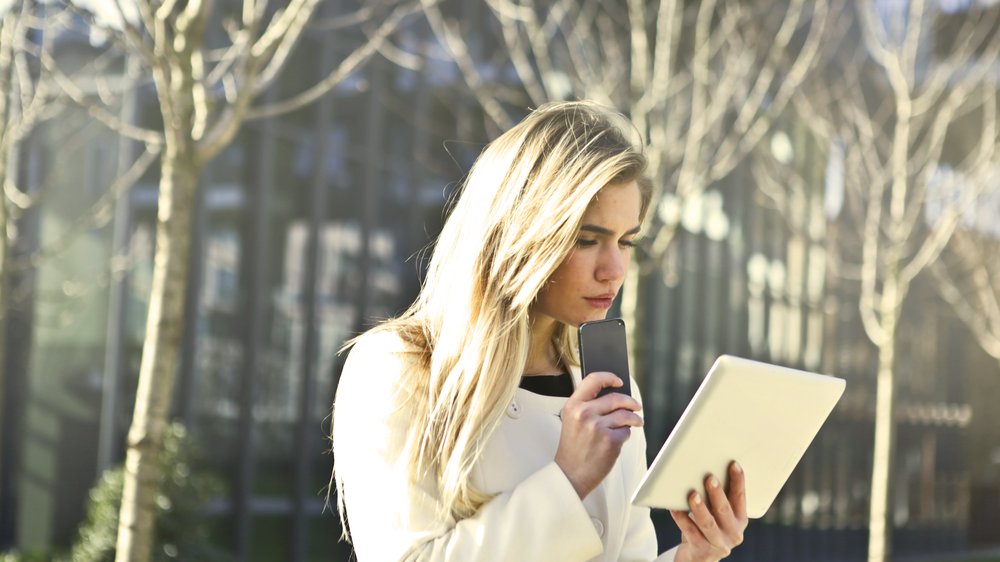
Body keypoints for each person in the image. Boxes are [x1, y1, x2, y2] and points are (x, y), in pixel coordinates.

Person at [331, 101, 748, 561]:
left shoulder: (603, 387)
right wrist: (568, 479)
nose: (614, 269)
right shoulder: (399, 369)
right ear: (523, 235)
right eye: (587, 240)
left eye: (626, 242)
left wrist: (694, 555)